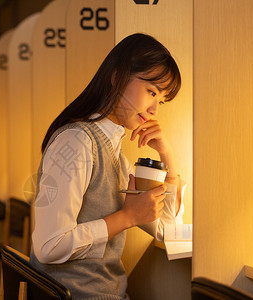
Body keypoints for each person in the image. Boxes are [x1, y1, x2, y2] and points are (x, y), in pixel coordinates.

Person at [30, 33, 185, 300]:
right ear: (118, 77)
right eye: (151, 92)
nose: (154, 110)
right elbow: (48, 245)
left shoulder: (117, 158)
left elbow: (167, 231)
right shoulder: (76, 141)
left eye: (160, 99)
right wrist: (126, 218)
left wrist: (168, 157)